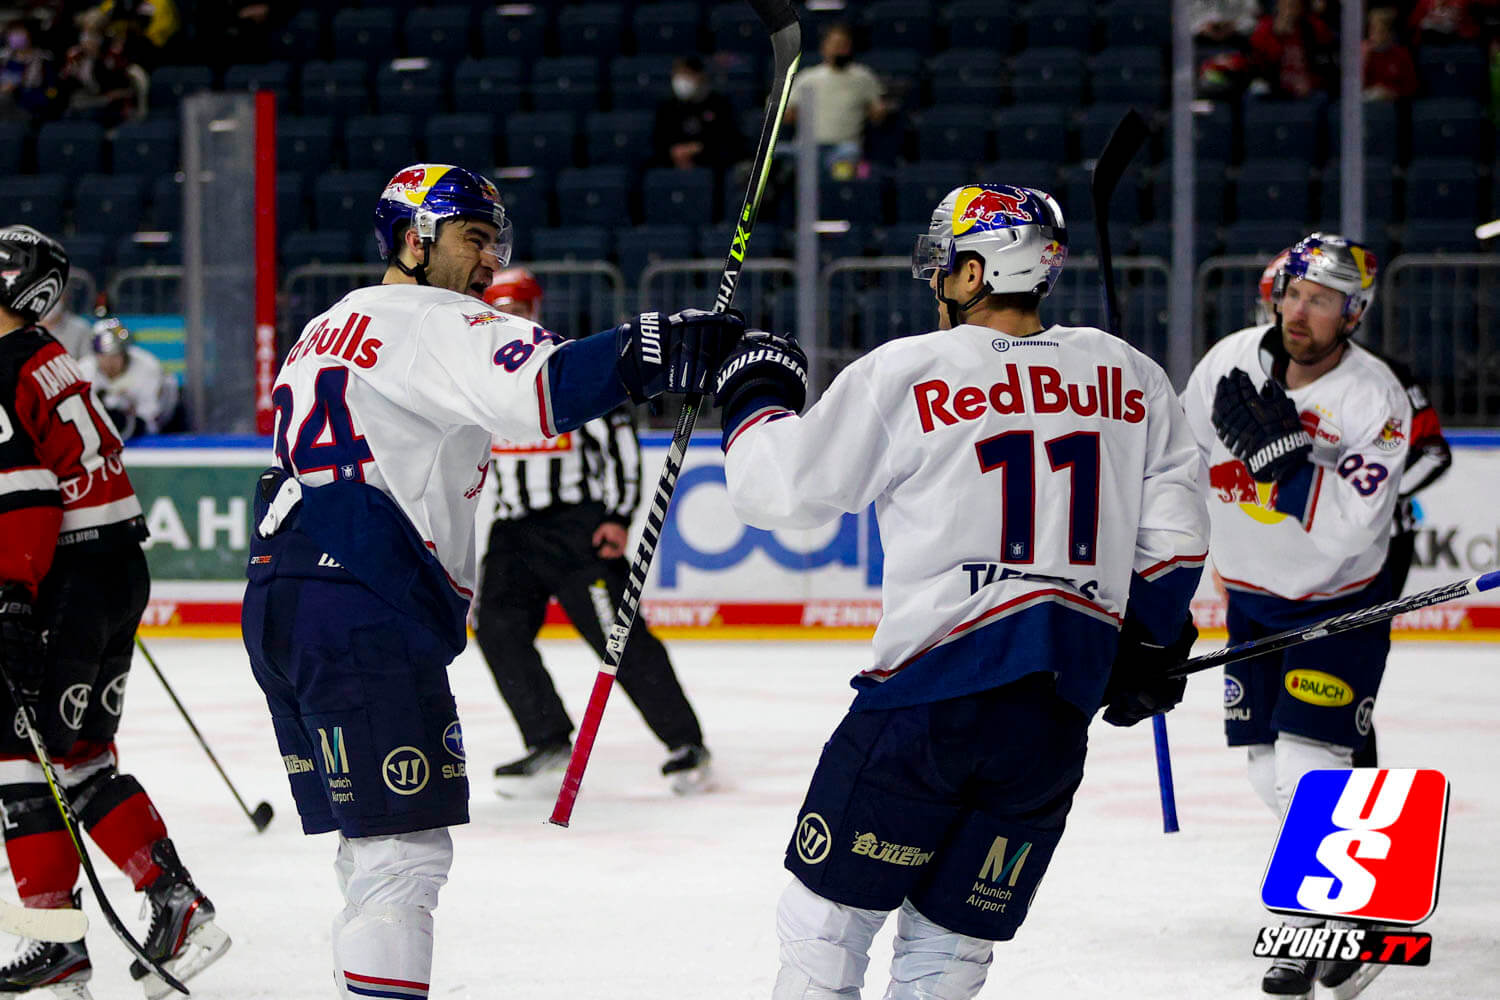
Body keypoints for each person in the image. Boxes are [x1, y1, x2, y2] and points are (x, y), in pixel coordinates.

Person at [238, 164, 741, 997]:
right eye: (474, 238)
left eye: (495, 242)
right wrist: (656, 348)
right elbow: (540, 390)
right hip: (363, 595)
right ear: (413, 238)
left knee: (372, 851)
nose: (489, 260)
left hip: (283, 591)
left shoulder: (327, 324)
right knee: (404, 857)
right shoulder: (438, 320)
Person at [713, 184, 1208, 1000]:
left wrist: (755, 392)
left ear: (976, 271)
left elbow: (778, 493)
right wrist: (1148, 644)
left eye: (946, 263)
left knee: (828, 923)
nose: (937, 278)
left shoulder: (910, 369)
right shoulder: (1132, 373)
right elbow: (1176, 541)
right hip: (1050, 723)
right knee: (951, 948)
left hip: (926, 705)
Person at [0, 224, 229, 998]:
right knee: (81, 754)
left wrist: (9, 600)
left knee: (19, 757)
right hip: (110, 565)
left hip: (60, 576)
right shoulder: (46, 354)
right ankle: (169, 903)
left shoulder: (2, 361)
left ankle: (75, 936)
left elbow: (25, 493)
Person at [1183, 233, 1409, 1000]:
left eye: (1322, 300)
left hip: (1340, 604)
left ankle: (1332, 922)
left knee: (1309, 765)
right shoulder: (1227, 362)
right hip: (1248, 602)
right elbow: (1178, 464)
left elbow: (1350, 525)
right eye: (1293, 294)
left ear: (1353, 315)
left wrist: (1284, 467)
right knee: (1265, 773)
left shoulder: (1374, 398)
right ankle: (1350, 899)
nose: (1300, 311)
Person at [471, 267, 712, 794]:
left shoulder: (561, 366)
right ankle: (548, 738)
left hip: (577, 529)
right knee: (496, 631)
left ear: (535, 310)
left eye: (517, 309)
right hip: (511, 532)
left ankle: (685, 742)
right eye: (500, 308)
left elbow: (621, 448)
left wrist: (618, 518)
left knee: (618, 638)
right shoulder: (480, 376)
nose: (508, 319)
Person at [1252, 247, 1453, 770]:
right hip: (1299, 548)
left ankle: (1352, 792)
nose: (1288, 313)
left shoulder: (1378, 378)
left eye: (1311, 300)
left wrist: (1365, 503)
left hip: (1375, 548)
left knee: (1336, 675)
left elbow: (1432, 454)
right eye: (1285, 298)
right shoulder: (1259, 372)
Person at [785, 22, 887, 172]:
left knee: (846, 161)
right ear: (824, 47)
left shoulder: (863, 76)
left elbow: (877, 113)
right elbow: (788, 114)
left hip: (845, 147)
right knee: (777, 159)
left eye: (843, 44)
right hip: (807, 147)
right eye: (835, 44)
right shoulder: (808, 77)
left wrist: (880, 111)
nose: (839, 49)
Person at [78, 317, 180, 440]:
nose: (109, 363)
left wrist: (124, 421)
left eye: (115, 356)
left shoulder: (147, 368)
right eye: (103, 357)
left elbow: (151, 422)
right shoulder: (83, 371)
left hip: (159, 431)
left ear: (124, 352)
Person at [651, 55, 746, 172]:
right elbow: (659, 141)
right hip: (672, 166)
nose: (681, 81)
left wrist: (697, 148)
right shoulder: (667, 107)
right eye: (677, 75)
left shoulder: (719, 104)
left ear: (700, 76)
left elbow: (728, 140)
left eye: (686, 74)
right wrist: (675, 152)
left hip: (712, 165)